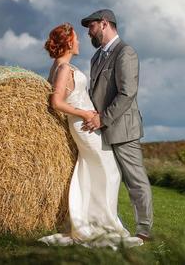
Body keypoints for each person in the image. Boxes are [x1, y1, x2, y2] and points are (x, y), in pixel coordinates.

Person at [38, 22, 143, 249]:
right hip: (84, 125)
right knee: (110, 171)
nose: (79, 41)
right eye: (75, 38)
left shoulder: (58, 66)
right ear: (68, 42)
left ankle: (90, 221)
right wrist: (84, 112)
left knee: (90, 170)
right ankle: (103, 225)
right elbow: (56, 102)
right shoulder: (65, 68)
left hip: (85, 124)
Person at [81, 9, 153, 241]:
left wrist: (102, 118)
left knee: (135, 181)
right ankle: (107, 224)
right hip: (100, 129)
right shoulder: (95, 58)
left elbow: (127, 92)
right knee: (106, 179)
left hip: (123, 129)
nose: (88, 33)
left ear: (104, 24)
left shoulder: (126, 52)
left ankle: (144, 230)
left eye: (91, 27)